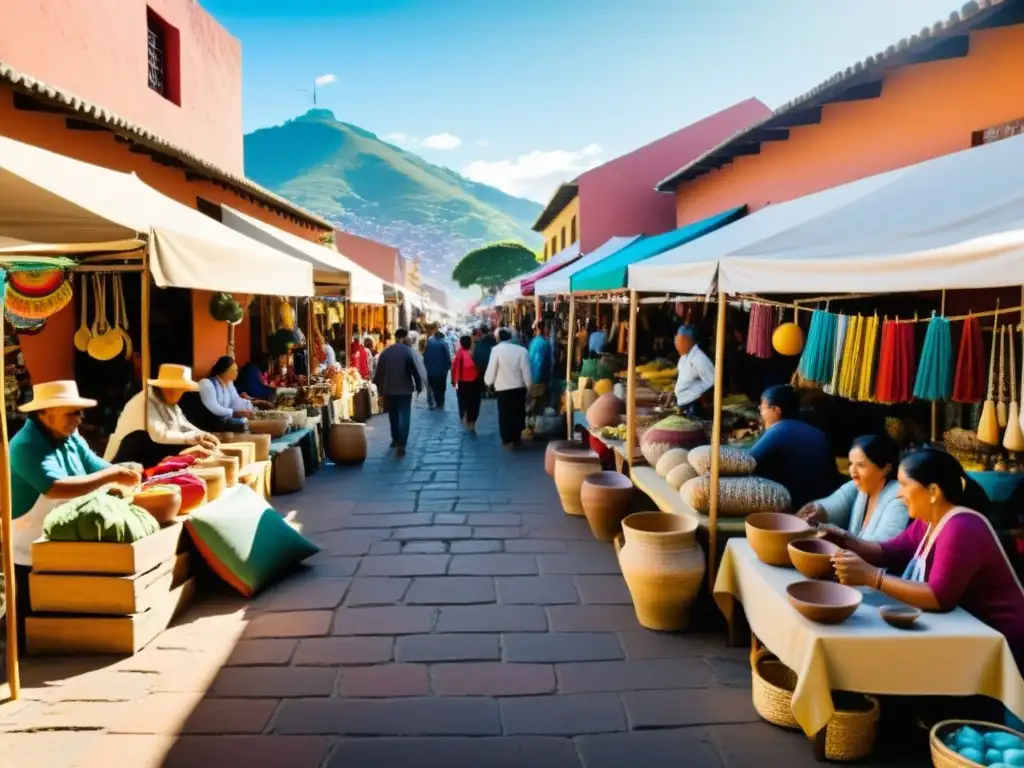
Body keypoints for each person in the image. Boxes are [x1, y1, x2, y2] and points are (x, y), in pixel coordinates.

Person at [827, 448, 1024, 674]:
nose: (900, 494)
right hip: (968, 633)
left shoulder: (961, 528)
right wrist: (846, 542)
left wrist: (871, 577)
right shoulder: (929, 520)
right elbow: (890, 551)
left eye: (904, 485)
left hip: (1001, 646)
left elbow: (938, 597)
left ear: (933, 491)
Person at [7, 381, 142, 646]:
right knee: (31, 622)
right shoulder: (26, 445)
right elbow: (54, 488)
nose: (79, 419)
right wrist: (113, 475)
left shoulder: (71, 437)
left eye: (79, 413)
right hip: (29, 543)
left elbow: (96, 467)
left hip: (63, 535)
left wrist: (122, 470)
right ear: (45, 413)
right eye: (72, 413)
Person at [797, 433, 909, 542]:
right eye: (850, 464)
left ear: (886, 468)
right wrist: (820, 509)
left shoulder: (899, 497)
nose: (852, 471)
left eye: (861, 465)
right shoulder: (861, 486)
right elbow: (839, 500)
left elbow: (885, 545)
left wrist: (842, 539)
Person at [105, 364, 219, 466]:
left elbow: (183, 424)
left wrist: (203, 435)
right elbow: (159, 435)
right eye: (180, 391)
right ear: (168, 389)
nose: (181, 395)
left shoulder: (169, 403)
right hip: (124, 459)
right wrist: (194, 438)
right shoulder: (144, 402)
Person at [748, 385, 841, 509]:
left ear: (776, 410)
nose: (760, 413)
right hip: (826, 499)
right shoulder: (815, 430)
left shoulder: (779, 431)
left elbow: (747, 462)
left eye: (762, 408)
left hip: (798, 505)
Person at [372, 328, 423, 456]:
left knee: (393, 415)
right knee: (405, 415)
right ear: (405, 337)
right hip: (405, 390)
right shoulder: (407, 351)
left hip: (389, 389)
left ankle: (395, 439)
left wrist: (379, 388)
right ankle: (402, 443)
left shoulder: (385, 352)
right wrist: (419, 384)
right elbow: (414, 370)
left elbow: (378, 373)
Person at [485, 328, 533, 448]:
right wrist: (529, 387)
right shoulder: (522, 350)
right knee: (517, 413)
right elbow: (526, 371)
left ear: (498, 338)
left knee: (504, 414)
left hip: (503, 389)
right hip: (518, 388)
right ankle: (516, 436)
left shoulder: (496, 350)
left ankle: (507, 439)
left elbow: (492, 367)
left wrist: (488, 382)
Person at [191, 356, 253, 434]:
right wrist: (233, 413)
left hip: (223, 420)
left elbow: (235, 401)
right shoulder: (206, 383)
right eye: (235, 370)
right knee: (242, 423)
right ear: (226, 371)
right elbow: (214, 407)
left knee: (246, 421)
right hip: (209, 422)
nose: (237, 372)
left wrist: (248, 406)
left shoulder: (229, 384)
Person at [673, 325, 715, 417]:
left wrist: (702, 401)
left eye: (678, 340)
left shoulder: (699, 358)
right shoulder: (683, 358)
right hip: (685, 405)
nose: (675, 343)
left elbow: (713, 382)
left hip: (696, 406)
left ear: (687, 341)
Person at [451, 334, 481, 431]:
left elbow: (454, 368)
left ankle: (464, 415)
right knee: (474, 401)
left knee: (462, 400)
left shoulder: (459, 354)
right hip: (474, 381)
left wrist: (454, 382)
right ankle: (471, 421)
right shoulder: (474, 353)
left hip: (461, 382)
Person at [528, 320, 552, 419]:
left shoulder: (535, 341)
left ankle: (532, 424)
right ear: (544, 329)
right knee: (538, 405)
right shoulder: (543, 343)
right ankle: (535, 426)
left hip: (533, 376)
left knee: (534, 404)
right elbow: (540, 362)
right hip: (539, 378)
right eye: (547, 327)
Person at [423, 329, 452, 410]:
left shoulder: (429, 343)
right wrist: (448, 366)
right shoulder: (444, 343)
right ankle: (440, 402)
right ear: (442, 337)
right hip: (442, 371)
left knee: (431, 387)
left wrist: (426, 365)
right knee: (441, 388)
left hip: (430, 370)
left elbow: (425, 356)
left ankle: (431, 403)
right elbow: (447, 356)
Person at [473, 326, 496, 399]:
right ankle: (490, 392)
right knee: (490, 376)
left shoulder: (478, 341)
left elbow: (475, 353)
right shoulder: (492, 339)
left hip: (480, 362)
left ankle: (483, 392)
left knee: (481, 377)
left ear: (481, 332)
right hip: (489, 361)